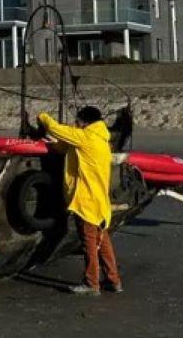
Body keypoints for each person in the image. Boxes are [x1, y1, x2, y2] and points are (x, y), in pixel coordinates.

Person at [38, 106, 123, 296]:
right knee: (103, 241)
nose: (75, 124)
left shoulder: (85, 137)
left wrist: (42, 116)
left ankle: (91, 283)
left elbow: (56, 128)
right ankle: (114, 280)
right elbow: (67, 147)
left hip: (86, 201)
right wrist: (54, 145)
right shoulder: (100, 140)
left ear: (85, 122)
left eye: (77, 121)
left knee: (89, 243)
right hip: (100, 201)